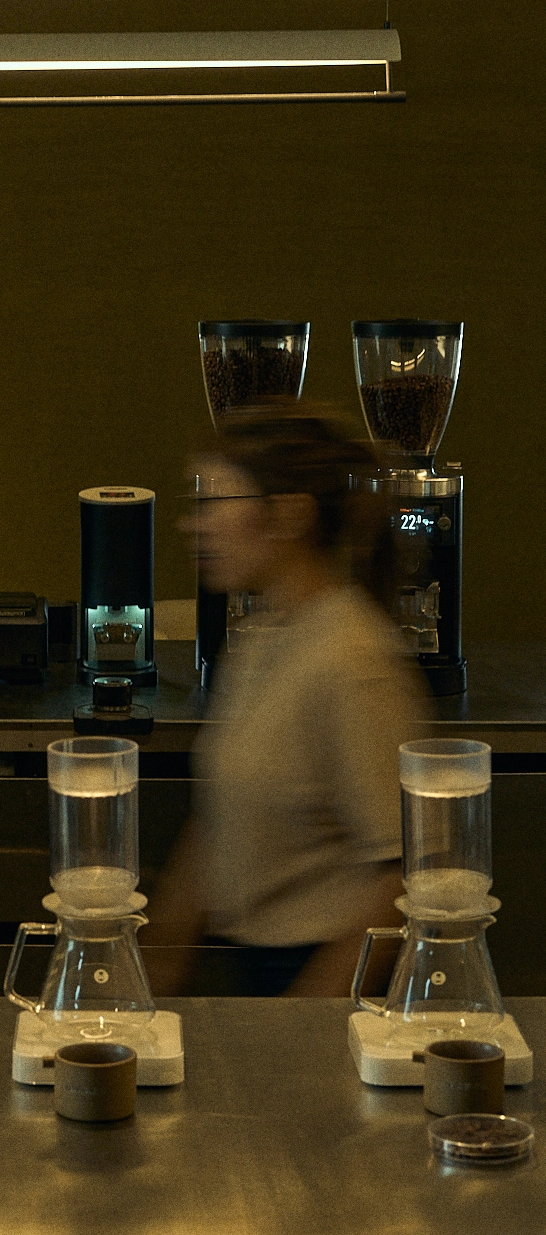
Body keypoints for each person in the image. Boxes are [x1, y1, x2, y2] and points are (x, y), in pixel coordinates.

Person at [142, 403, 427, 998]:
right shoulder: (262, 636)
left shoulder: (352, 657)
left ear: (289, 516)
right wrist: (146, 979)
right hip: (253, 974)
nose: (191, 525)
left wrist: (301, 1028)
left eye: (213, 504)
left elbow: (400, 881)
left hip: (318, 982)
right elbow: (220, 815)